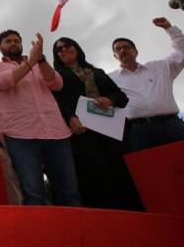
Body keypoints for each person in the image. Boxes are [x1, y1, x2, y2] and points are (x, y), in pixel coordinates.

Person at [0, 29, 80, 206]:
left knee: (69, 190)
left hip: (56, 132)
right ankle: (41, 232)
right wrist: (30, 64)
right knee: (34, 193)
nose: (13, 43)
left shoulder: (38, 64)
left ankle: (77, 232)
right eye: (8, 41)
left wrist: (41, 60)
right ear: (0, 47)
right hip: (21, 136)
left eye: (16, 40)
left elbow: (57, 84)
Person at [52, 37, 143, 210]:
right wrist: (70, 117)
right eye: (59, 49)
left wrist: (109, 99)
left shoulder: (97, 72)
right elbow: (57, 102)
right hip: (82, 133)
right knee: (95, 175)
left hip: (112, 131)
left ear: (76, 47)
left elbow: (121, 97)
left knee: (122, 172)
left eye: (67, 45)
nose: (64, 50)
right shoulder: (57, 77)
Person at [109, 17, 184, 153]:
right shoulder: (109, 79)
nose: (122, 50)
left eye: (126, 47)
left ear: (136, 52)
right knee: (152, 171)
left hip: (172, 125)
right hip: (138, 132)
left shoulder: (161, 67)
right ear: (115, 56)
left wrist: (169, 29)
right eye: (118, 49)